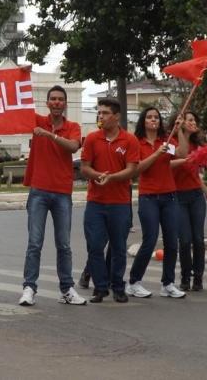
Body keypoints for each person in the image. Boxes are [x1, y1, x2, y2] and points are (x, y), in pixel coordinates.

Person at [18, 85, 85, 306]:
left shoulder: (73, 126)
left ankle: (66, 289)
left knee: (64, 244)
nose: (56, 102)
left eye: (60, 99)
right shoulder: (36, 120)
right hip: (38, 190)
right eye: (53, 99)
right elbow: (18, 105)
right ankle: (29, 288)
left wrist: (49, 134)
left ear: (65, 104)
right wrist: (21, 76)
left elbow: (74, 147)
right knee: (34, 243)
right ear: (47, 103)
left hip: (62, 193)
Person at [80, 98, 139, 303]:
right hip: (95, 202)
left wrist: (112, 177)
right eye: (99, 113)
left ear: (116, 116)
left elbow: (132, 169)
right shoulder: (92, 138)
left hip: (120, 203)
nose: (100, 116)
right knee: (95, 246)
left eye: (105, 113)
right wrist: (97, 175)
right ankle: (100, 287)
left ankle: (118, 286)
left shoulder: (129, 140)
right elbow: (84, 167)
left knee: (118, 247)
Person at [126, 107, 188, 299]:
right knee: (150, 239)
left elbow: (182, 153)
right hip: (149, 197)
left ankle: (168, 283)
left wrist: (179, 131)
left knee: (171, 241)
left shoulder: (165, 142)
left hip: (169, 196)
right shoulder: (137, 143)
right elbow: (137, 170)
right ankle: (134, 282)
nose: (153, 120)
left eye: (156, 117)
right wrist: (155, 155)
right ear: (143, 121)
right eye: (149, 117)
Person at [170, 111, 207, 292]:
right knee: (185, 240)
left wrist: (205, 191)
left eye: (194, 120)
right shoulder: (171, 142)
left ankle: (199, 277)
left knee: (198, 239)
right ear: (179, 122)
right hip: (178, 196)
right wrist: (180, 132)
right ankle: (185, 277)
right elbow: (180, 156)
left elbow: (194, 173)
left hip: (195, 196)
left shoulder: (199, 145)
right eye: (189, 120)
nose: (193, 122)